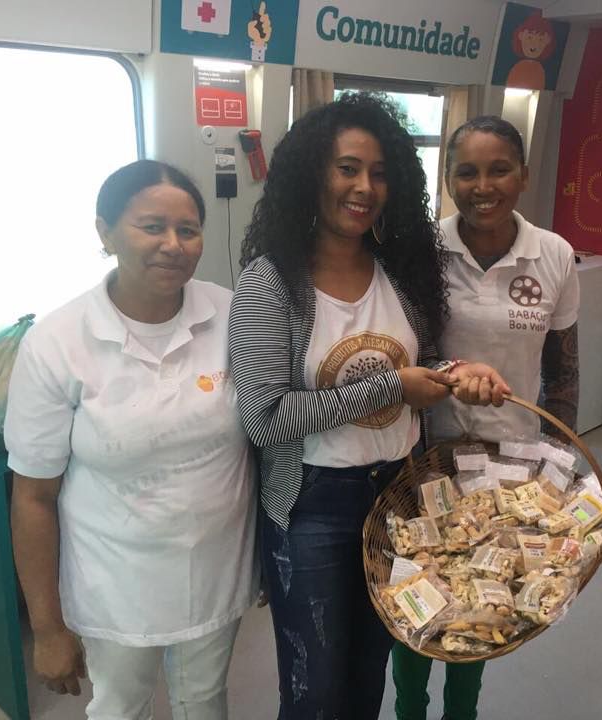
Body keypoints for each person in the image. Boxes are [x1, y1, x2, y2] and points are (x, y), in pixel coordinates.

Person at [229, 93, 511, 720]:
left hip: (398, 496)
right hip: (313, 505)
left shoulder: (399, 272)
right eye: (347, 168)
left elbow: (422, 365)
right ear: (313, 174)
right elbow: (264, 418)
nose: (364, 187)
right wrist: (390, 388)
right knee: (315, 691)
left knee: (366, 677)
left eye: (379, 173)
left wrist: (456, 374)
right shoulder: (269, 283)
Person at [5, 160, 259, 720]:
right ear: (106, 232)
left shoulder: (230, 312)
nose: (173, 245)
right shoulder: (57, 341)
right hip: (114, 583)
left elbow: (265, 436)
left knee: (204, 702)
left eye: (188, 230)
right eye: (151, 226)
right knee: (120, 708)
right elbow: (33, 496)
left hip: (217, 570)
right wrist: (47, 628)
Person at [391, 116, 581, 720]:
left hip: (510, 461)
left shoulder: (553, 254)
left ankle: (462, 712)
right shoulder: (422, 251)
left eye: (499, 170)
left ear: (523, 174)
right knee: (418, 589)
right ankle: (410, 709)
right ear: (448, 178)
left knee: (482, 597)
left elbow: (563, 369)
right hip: (424, 452)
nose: (482, 186)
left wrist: (561, 465)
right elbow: (403, 350)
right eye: (466, 172)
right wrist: (453, 371)